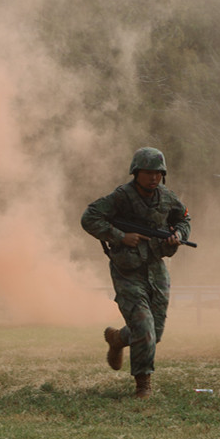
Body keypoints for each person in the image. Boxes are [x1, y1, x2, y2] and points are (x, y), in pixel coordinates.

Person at [81, 147, 191, 399]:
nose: (154, 177)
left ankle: (118, 338)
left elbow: (185, 219)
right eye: (148, 172)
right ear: (136, 172)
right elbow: (89, 217)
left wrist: (179, 235)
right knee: (144, 327)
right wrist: (120, 236)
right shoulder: (121, 197)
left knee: (155, 332)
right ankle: (143, 385)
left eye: (158, 173)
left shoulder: (167, 197)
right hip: (127, 269)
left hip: (156, 268)